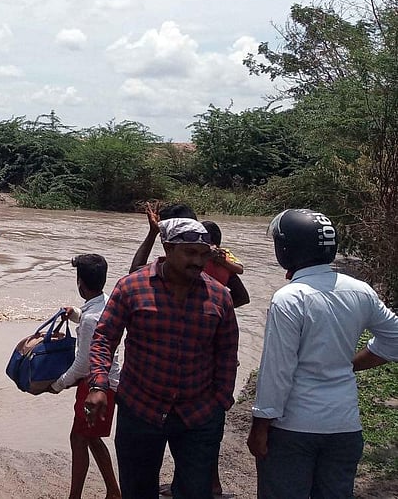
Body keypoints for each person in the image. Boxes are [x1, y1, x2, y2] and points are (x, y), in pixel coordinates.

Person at [248, 209, 398, 498]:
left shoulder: (290, 298)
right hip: (344, 426)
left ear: (286, 249)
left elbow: (277, 372)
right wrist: (348, 365)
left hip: (293, 428)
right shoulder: (361, 291)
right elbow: (393, 341)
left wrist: (259, 427)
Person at [86, 218, 239, 499]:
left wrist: (221, 401)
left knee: (195, 492)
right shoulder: (131, 287)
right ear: (168, 248)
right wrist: (98, 385)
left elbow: (228, 352)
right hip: (140, 409)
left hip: (199, 414)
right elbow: (104, 338)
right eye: (190, 253)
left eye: (204, 254)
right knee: (138, 491)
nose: (198, 261)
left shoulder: (219, 297)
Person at [49, 254, 122, 499]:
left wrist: (57, 385)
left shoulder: (90, 319)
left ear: (80, 283)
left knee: (80, 438)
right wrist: (76, 314)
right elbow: (93, 322)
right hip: (108, 382)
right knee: (88, 437)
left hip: (95, 387)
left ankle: (77, 496)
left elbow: (83, 364)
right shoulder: (106, 304)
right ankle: (113, 491)